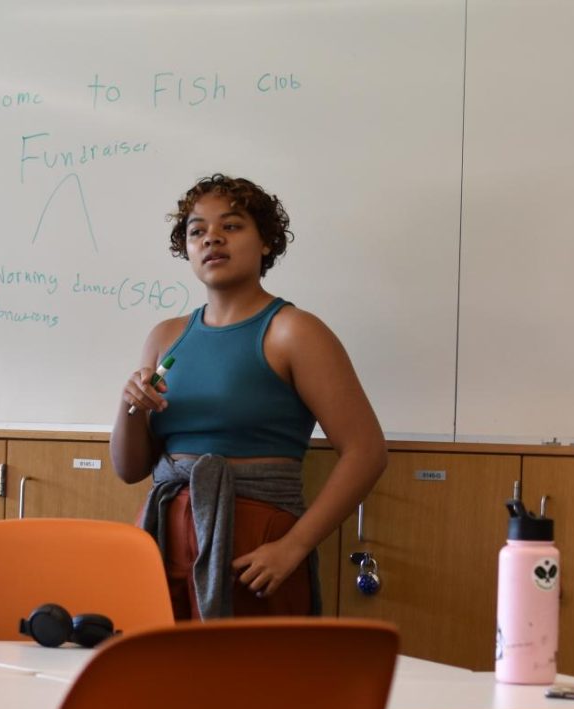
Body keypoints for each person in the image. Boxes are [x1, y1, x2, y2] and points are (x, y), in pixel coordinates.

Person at [110, 173, 387, 621]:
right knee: (164, 681)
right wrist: (127, 408)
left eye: (232, 226)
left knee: (254, 683)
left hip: (256, 546)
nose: (211, 238)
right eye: (197, 230)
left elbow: (366, 452)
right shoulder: (166, 336)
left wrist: (292, 548)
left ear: (265, 243)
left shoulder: (295, 331)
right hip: (161, 541)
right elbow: (129, 469)